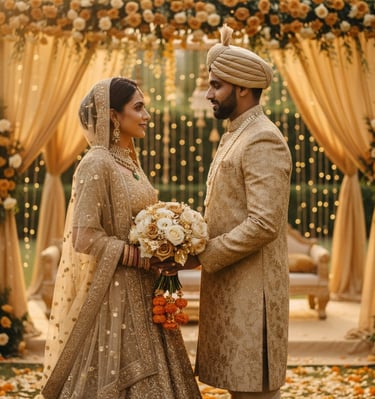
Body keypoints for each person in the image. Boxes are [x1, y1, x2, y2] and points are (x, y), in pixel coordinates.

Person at [40, 77, 202, 399]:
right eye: (138, 108)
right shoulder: (96, 162)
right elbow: (83, 237)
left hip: (146, 289)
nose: (146, 116)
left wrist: (169, 243)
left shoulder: (130, 162)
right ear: (114, 116)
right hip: (115, 295)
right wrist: (141, 256)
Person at [184, 25, 292, 399]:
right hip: (233, 288)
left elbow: (265, 223)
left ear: (243, 88)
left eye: (216, 85)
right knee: (240, 390)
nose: (209, 94)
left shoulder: (262, 137)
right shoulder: (237, 133)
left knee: (254, 393)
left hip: (253, 294)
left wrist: (205, 254)